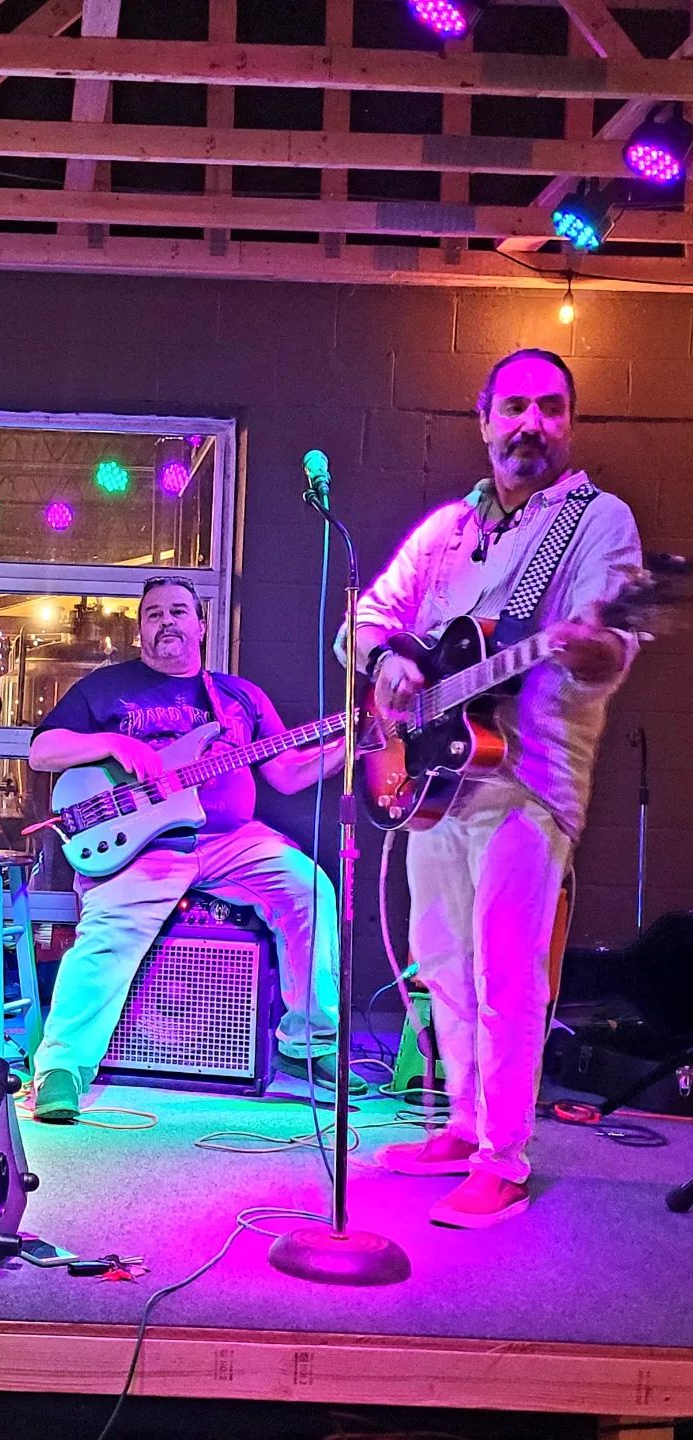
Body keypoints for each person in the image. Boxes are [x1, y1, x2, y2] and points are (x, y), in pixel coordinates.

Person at [351, 348, 642, 1228]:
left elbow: (611, 648)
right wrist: (389, 664)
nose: (531, 424)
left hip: (527, 781)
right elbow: (368, 618)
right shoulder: (447, 530)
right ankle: (464, 1123)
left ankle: (503, 1159)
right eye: (514, 407)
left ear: (570, 423)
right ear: (484, 422)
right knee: (440, 959)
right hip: (436, 780)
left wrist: (595, 646)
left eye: (550, 407)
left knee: (507, 972)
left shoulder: (598, 520)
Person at [29, 576, 348, 1123]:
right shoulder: (106, 687)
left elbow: (287, 774)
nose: (166, 621)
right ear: (140, 630)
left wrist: (350, 748)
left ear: (201, 624)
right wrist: (113, 742)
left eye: (178, 611)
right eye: (153, 614)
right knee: (107, 935)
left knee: (310, 888)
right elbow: (42, 751)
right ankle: (60, 1067)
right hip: (146, 848)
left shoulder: (238, 696)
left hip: (232, 841)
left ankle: (307, 1042)